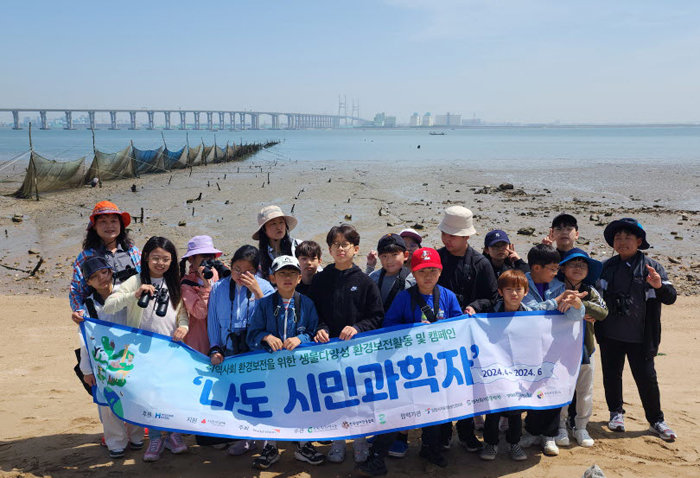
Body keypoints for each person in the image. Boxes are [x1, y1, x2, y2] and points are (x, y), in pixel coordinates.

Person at [363, 247, 462, 473]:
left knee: (436, 409)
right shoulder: (403, 298)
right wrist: (415, 329)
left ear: (440, 272)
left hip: (437, 367)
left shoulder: (447, 296)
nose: (427, 276)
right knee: (399, 410)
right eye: (422, 271)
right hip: (409, 369)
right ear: (412, 274)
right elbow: (388, 327)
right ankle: (376, 455)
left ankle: (430, 447)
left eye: (432, 271)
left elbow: (459, 327)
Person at [102, 236, 189, 462]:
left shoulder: (175, 283)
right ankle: (156, 438)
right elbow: (109, 306)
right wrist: (135, 294)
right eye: (156, 258)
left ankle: (174, 435)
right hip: (140, 352)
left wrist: (183, 327)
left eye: (166, 259)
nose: (160, 263)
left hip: (169, 350)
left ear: (173, 261)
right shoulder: (135, 280)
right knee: (150, 397)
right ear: (146, 258)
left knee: (170, 395)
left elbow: (182, 313)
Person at [595, 218, 677, 442]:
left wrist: (659, 285)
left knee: (647, 379)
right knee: (612, 376)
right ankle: (616, 413)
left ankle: (656, 420)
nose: (622, 242)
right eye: (617, 238)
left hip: (641, 337)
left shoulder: (652, 267)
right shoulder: (605, 267)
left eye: (628, 237)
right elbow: (591, 294)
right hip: (610, 334)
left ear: (639, 241)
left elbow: (671, 298)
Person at [309, 223, 383, 464]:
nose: (340, 249)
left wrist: (358, 327)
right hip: (328, 350)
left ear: (356, 249)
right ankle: (338, 442)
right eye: (335, 244)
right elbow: (313, 312)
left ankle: (360, 441)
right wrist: (320, 327)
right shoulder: (321, 280)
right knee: (333, 396)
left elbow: (376, 316)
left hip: (357, 351)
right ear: (329, 250)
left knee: (358, 397)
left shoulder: (365, 282)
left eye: (345, 244)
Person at [246, 255, 325, 469]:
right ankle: (270, 446)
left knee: (301, 403)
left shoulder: (307, 304)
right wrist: (266, 337)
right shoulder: (263, 305)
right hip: (270, 369)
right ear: (273, 278)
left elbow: (313, 330)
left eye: (292, 273)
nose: (287, 277)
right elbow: (251, 335)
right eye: (282, 273)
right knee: (271, 404)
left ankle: (303, 444)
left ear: (299, 278)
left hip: (299, 368)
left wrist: (301, 339)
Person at [436, 205, 497, 452]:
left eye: (453, 235)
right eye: (445, 234)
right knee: (441, 383)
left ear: (466, 237)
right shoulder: (436, 258)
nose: (447, 239)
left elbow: (492, 298)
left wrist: (474, 305)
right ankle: (442, 432)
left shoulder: (481, 263)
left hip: (470, 335)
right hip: (439, 332)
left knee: (467, 385)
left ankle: (466, 431)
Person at [519, 244, 587, 457]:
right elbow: (528, 311)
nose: (556, 273)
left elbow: (576, 318)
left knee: (552, 388)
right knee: (531, 387)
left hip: (554, 348)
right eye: (552, 268)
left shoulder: (559, 286)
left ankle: (549, 435)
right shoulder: (522, 284)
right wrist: (556, 301)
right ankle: (531, 431)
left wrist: (576, 304)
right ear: (536, 268)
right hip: (528, 348)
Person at [207, 245, 275, 457]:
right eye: (236, 269)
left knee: (259, 396)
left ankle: (263, 439)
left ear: (256, 271)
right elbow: (213, 322)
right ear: (230, 265)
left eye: (247, 271)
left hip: (255, 351)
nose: (239, 275)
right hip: (228, 350)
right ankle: (244, 438)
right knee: (236, 397)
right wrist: (214, 348)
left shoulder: (266, 288)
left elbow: (272, 322)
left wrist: (257, 292)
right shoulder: (219, 288)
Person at [77, 256, 144, 459]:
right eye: (94, 277)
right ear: (88, 282)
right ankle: (116, 442)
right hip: (102, 362)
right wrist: (87, 370)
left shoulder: (125, 293)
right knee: (108, 404)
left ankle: (137, 436)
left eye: (104, 273)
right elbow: (84, 340)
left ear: (111, 272)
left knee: (134, 396)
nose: (101, 279)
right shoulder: (87, 307)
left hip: (129, 356)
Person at [556, 248, 608, 448]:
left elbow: (603, 312)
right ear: (563, 268)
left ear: (588, 270)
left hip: (586, 347)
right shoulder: (556, 289)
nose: (578, 268)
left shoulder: (591, 290)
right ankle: (560, 426)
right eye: (573, 264)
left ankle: (581, 426)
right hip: (559, 349)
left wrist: (581, 304)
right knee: (561, 388)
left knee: (585, 389)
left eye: (582, 265)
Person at [478, 269, 531, 462]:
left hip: (520, 370)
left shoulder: (531, 315)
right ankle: (490, 443)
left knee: (515, 411)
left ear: (526, 291)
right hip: (495, 368)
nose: (514, 293)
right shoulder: (491, 312)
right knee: (494, 409)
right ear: (500, 292)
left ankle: (513, 443)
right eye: (509, 289)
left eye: (518, 289)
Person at [70, 201, 141, 324]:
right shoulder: (86, 256)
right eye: (103, 222)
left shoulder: (133, 252)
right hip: (102, 315)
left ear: (121, 225)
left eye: (114, 221)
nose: (109, 226)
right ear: (94, 227)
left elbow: (144, 279)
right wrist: (78, 310)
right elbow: (76, 290)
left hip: (132, 312)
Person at [179, 235, 222, 355]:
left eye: (211, 256)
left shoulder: (215, 273)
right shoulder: (186, 284)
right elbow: (199, 313)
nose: (208, 260)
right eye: (204, 256)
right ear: (191, 259)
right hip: (199, 338)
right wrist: (206, 287)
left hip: (218, 333)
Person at [368, 234, 416, 312]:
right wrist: (370, 267)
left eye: (394, 255)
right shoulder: (373, 278)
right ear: (379, 257)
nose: (389, 261)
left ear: (405, 255)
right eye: (384, 256)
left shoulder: (412, 280)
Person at [253, 205, 300, 277]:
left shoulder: (298, 246)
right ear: (264, 229)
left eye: (281, 222)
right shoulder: (258, 258)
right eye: (273, 224)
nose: (279, 227)